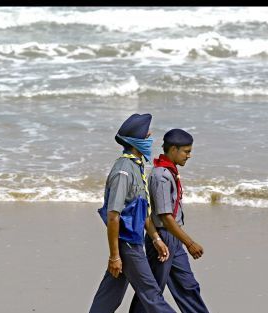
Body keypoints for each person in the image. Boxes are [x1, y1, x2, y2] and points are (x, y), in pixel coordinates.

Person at [89, 113, 176, 313]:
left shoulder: (136, 166)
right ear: (136, 142)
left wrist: (155, 238)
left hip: (131, 242)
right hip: (126, 244)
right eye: (147, 135)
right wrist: (114, 256)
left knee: (109, 296)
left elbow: (140, 210)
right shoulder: (123, 172)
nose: (151, 135)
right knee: (151, 294)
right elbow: (113, 215)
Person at [129, 128, 210, 313]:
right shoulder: (161, 176)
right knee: (153, 290)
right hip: (163, 239)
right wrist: (189, 243)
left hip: (173, 238)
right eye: (186, 151)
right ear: (173, 149)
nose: (189, 156)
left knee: (188, 286)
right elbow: (166, 218)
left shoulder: (170, 172)